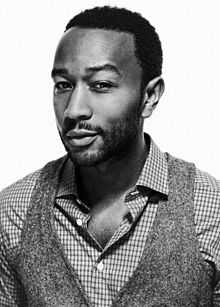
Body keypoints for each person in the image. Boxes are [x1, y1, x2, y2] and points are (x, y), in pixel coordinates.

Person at [0, 5, 219, 307]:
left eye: (101, 85)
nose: (74, 109)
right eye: (63, 85)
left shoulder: (210, 210)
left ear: (150, 97)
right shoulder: (14, 211)